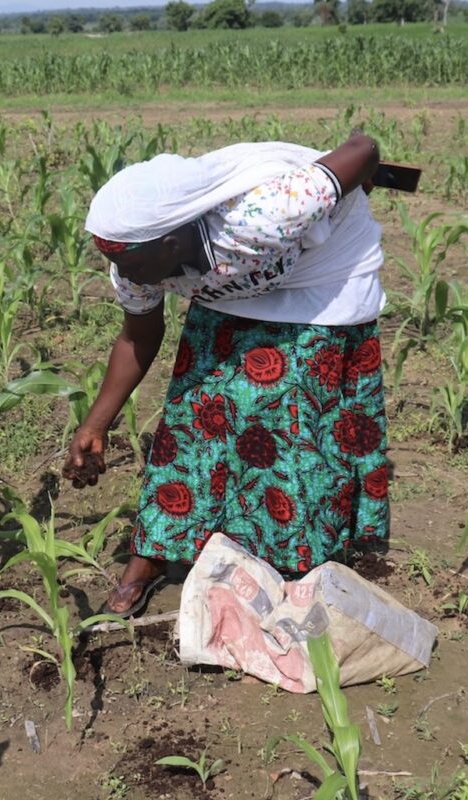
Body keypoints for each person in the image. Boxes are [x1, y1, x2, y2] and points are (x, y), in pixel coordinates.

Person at [62, 133, 390, 617]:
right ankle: (153, 554)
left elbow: (362, 148)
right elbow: (137, 336)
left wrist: (354, 188)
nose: (124, 274)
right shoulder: (136, 261)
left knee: (289, 423)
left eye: (130, 263)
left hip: (323, 277)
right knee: (194, 419)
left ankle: (293, 567)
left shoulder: (266, 214)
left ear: (172, 239)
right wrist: (95, 425)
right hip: (231, 286)